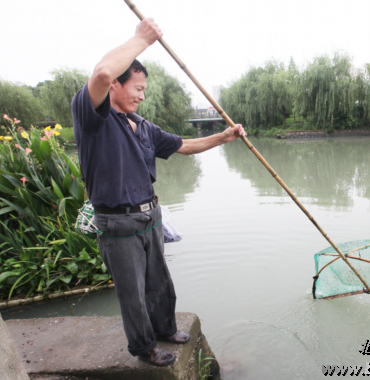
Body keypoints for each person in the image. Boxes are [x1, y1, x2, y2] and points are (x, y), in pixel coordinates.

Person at [71, 17, 246, 367]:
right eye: (136, 87)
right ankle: (144, 347)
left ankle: (165, 328)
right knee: (132, 292)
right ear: (116, 87)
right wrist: (141, 39)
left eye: (144, 90)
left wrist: (223, 137)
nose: (141, 94)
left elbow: (184, 145)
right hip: (117, 222)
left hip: (150, 215)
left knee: (159, 282)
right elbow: (102, 73)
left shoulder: (144, 127)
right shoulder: (93, 117)